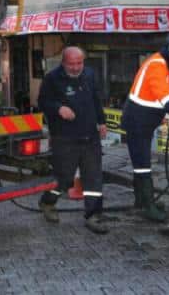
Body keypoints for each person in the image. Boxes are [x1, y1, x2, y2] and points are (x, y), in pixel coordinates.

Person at [37, 46, 112, 234]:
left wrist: (102, 122)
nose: (76, 67)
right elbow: (42, 102)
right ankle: (47, 202)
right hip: (65, 137)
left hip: (90, 135)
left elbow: (96, 99)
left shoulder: (89, 74)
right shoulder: (52, 79)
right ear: (63, 63)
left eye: (79, 63)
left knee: (93, 177)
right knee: (64, 178)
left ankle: (93, 215)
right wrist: (58, 108)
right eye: (71, 64)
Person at [121, 36, 169, 222]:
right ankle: (148, 206)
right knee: (143, 164)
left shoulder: (165, 65)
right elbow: (163, 93)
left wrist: (166, 113)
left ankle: (142, 202)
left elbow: (159, 96)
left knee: (141, 163)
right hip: (137, 122)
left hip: (143, 121)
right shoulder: (157, 65)